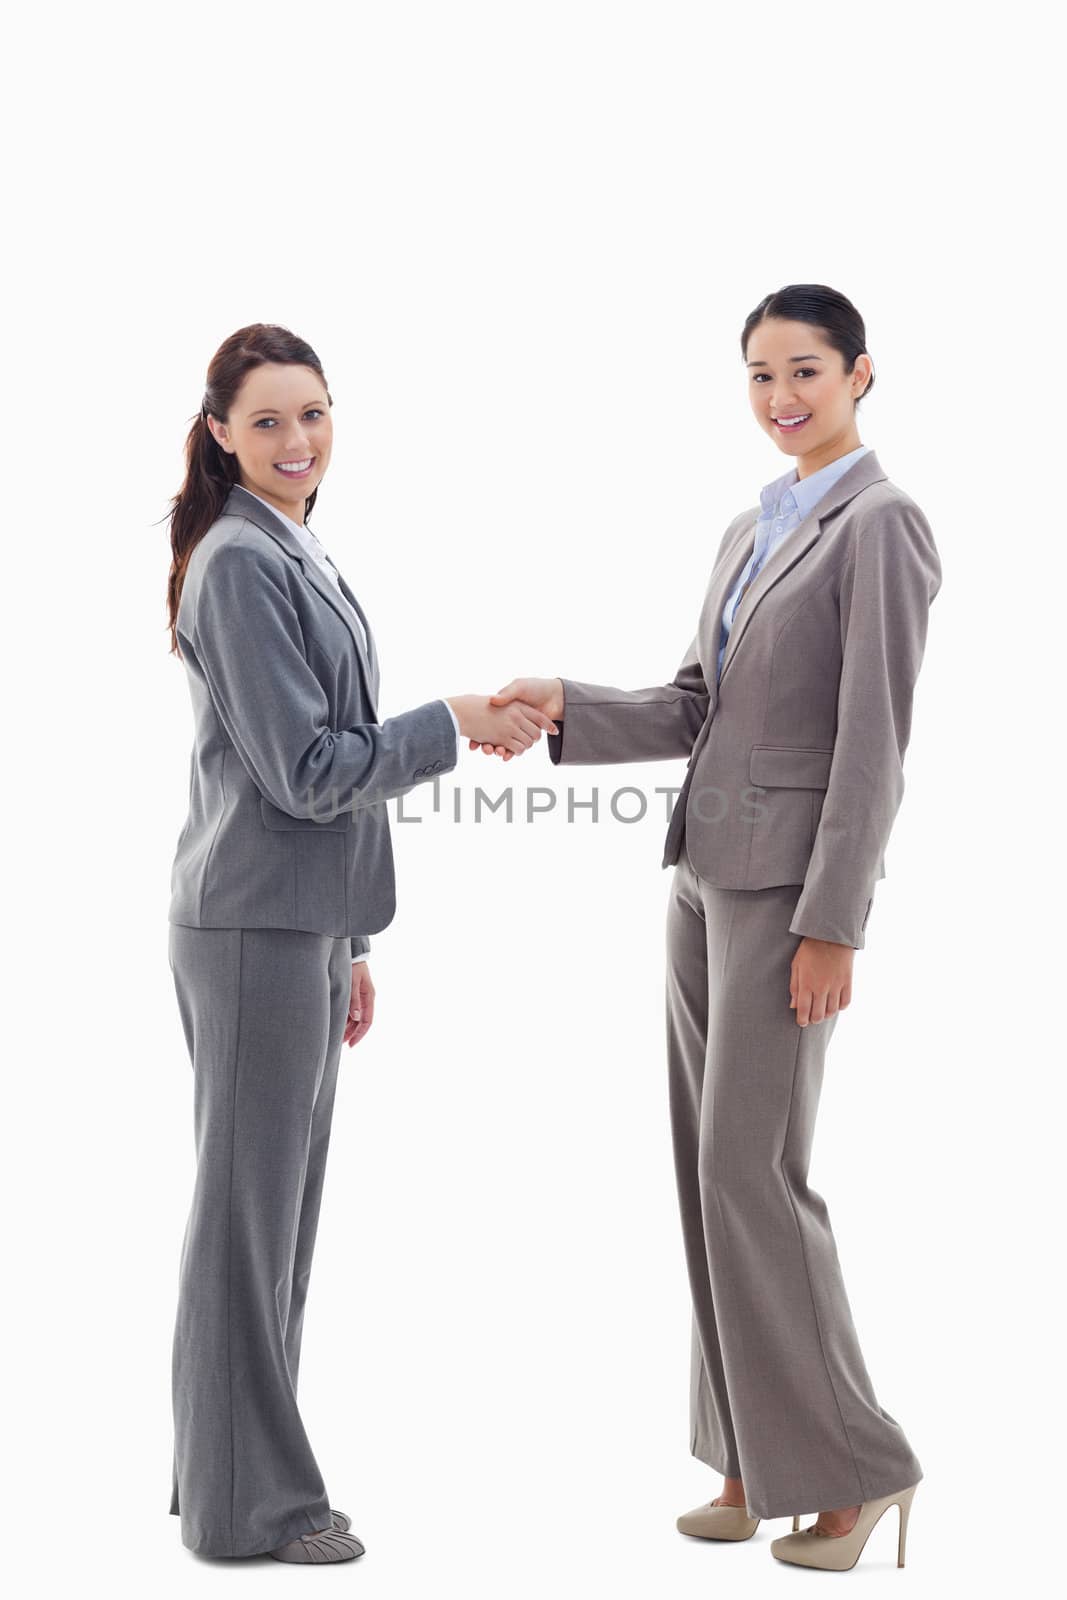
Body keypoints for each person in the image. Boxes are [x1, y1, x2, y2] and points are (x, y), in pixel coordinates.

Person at [477, 284, 939, 1573]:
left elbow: (871, 744)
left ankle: (854, 1468)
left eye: (803, 370)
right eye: (756, 374)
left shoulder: (882, 525)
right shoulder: (748, 529)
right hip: (697, 876)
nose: (779, 396)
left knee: (755, 1173)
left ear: (858, 375)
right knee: (704, 1168)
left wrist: (832, 921)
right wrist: (563, 703)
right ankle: (754, 1450)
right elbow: (694, 706)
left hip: (790, 895)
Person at [164, 322, 556, 1563]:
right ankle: (250, 1508)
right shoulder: (238, 561)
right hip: (250, 927)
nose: (298, 441)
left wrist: (353, 939)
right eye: (270, 419)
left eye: (315, 413)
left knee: (271, 1221)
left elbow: (314, 769)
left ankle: (229, 1476)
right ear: (221, 430)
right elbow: (305, 770)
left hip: (297, 922)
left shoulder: (290, 543)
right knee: (247, 1219)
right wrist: (450, 720)